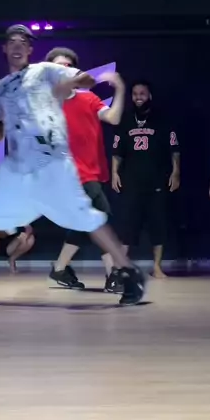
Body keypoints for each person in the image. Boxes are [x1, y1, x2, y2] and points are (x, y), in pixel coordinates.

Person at [0, 24, 144, 305]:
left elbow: (84, 80)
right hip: (17, 169)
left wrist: (74, 82)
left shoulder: (45, 71)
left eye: (23, 41)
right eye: (12, 41)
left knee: (86, 217)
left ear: (30, 49)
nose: (18, 45)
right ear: (5, 48)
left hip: (52, 163)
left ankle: (129, 273)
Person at [45, 47, 125, 290]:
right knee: (100, 220)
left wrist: (120, 89)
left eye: (69, 66)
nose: (64, 70)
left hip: (93, 172)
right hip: (70, 176)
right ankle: (113, 275)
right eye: (59, 66)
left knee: (87, 224)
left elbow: (113, 118)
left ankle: (60, 268)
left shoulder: (88, 99)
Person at [112, 81, 180, 279]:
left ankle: (157, 267)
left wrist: (176, 172)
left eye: (142, 93)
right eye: (135, 94)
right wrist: (114, 173)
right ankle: (121, 267)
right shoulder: (125, 120)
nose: (138, 97)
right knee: (128, 225)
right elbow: (117, 151)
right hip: (131, 181)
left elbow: (174, 149)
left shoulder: (162, 120)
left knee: (158, 225)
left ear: (149, 95)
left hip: (157, 181)